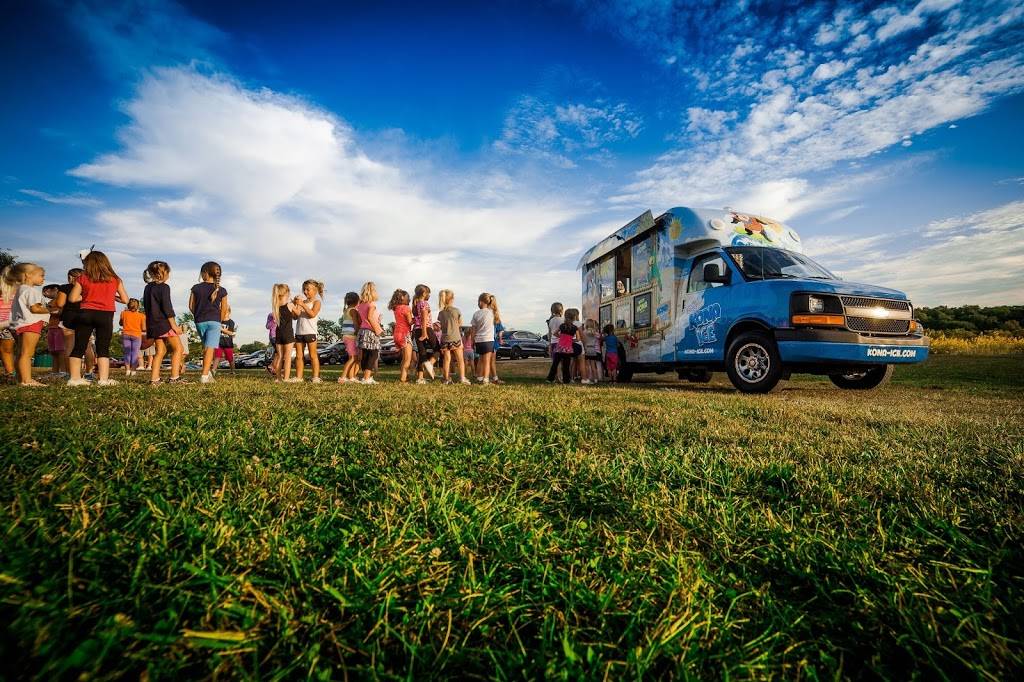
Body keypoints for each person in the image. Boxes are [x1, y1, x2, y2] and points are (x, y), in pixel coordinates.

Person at [67, 251, 129, 386]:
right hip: (105, 315)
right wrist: (111, 296)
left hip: (85, 313)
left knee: (79, 346)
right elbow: (125, 300)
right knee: (103, 348)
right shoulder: (115, 279)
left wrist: (86, 296)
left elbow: (72, 298)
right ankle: (103, 380)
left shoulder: (83, 278)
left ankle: (74, 379)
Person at [143, 260, 186, 385]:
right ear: (162, 273)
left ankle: (154, 379)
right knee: (179, 348)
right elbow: (167, 308)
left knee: (160, 351)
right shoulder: (164, 287)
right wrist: (174, 326)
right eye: (168, 272)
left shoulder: (147, 287)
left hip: (153, 324)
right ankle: (174, 378)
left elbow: (147, 306)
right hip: (164, 324)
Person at [6, 262, 49, 386]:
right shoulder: (31, 291)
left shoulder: (20, 290)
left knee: (21, 353)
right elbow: (35, 308)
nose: (43, 279)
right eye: (41, 275)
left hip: (20, 324)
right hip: (31, 323)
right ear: (28, 275)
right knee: (27, 353)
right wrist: (51, 310)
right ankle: (27, 380)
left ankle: (21, 379)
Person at [188, 261, 228, 384]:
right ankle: (204, 376)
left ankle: (208, 373)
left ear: (204, 273)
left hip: (200, 321)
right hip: (214, 321)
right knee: (209, 348)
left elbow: (191, 306)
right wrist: (219, 321)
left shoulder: (196, 288)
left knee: (206, 347)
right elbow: (224, 309)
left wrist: (198, 315)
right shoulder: (222, 290)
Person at [55, 268, 95, 379]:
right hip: (86, 318)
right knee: (87, 346)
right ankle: (89, 373)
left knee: (69, 346)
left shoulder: (65, 287)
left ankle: (70, 373)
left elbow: (60, 304)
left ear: (70, 277)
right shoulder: (88, 288)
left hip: (69, 318)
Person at [293, 279, 324, 383]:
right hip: (299, 332)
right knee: (298, 356)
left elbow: (312, 314)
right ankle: (299, 377)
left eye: (308, 289)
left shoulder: (317, 302)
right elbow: (295, 317)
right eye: (304, 289)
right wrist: (294, 305)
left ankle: (316, 377)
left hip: (310, 332)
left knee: (312, 355)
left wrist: (302, 305)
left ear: (315, 291)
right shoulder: (302, 302)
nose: (305, 292)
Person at [437, 289, 470, 385]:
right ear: (452, 299)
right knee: (460, 359)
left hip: (445, 338)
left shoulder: (441, 313)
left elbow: (441, 325)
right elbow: (460, 323)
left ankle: (446, 379)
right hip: (455, 337)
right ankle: (462, 378)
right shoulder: (456, 311)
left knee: (446, 360)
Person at [355, 281, 384, 384]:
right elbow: (370, 317)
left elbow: (362, 319)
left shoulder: (360, 305)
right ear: (373, 292)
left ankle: (365, 376)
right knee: (373, 354)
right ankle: (367, 378)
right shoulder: (372, 304)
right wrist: (378, 330)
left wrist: (378, 319)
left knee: (366, 355)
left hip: (363, 331)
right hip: (371, 332)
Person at [272, 283, 300, 382]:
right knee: (287, 357)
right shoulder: (290, 305)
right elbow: (298, 314)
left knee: (280, 357)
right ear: (287, 293)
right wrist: (297, 304)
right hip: (288, 334)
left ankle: (278, 378)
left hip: (278, 334)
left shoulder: (276, 306)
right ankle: (286, 378)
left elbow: (292, 316)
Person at [547, 308, 583, 384]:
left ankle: (550, 379)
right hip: (568, 348)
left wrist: (561, 337)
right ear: (574, 318)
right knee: (566, 365)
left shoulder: (562, 326)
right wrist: (571, 340)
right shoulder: (575, 328)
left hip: (559, 347)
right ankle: (566, 380)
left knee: (555, 363)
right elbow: (578, 338)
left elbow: (554, 333)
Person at [411, 284, 437, 384]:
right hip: (426, 329)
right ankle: (430, 364)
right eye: (428, 293)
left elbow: (417, 318)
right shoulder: (424, 303)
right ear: (424, 293)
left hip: (417, 330)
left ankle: (420, 378)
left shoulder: (416, 304)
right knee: (438, 349)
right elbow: (424, 317)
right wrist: (424, 333)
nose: (429, 295)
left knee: (422, 354)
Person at [388, 289, 414, 383]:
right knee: (408, 359)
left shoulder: (396, 308)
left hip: (396, 334)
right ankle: (403, 379)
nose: (409, 298)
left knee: (404, 358)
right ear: (402, 297)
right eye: (407, 297)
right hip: (404, 334)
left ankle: (404, 376)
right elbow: (410, 322)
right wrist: (417, 319)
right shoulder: (406, 308)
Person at [470, 292, 495, 384]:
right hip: (488, 340)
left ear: (481, 302)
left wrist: (472, 341)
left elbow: (473, 329)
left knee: (480, 360)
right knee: (487, 361)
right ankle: (486, 379)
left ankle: (479, 378)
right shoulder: (492, 313)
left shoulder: (476, 314)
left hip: (478, 340)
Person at [42, 284, 67, 377]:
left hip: (59, 327)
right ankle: (54, 372)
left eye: (46, 292)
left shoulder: (61, 300)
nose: (45, 295)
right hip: (51, 327)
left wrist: (48, 311)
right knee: (53, 351)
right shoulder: (50, 302)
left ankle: (63, 371)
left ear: (55, 289)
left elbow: (61, 312)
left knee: (60, 350)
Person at [118, 297, 146, 378]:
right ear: (138, 306)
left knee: (127, 353)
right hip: (137, 335)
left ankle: (127, 370)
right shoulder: (142, 316)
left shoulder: (123, 313)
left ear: (128, 305)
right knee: (135, 353)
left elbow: (120, 323)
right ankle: (133, 370)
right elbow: (144, 328)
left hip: (126, 334)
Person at [338, 291, 360, 384]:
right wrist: (359, 332)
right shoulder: (353, 311)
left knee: (354, 357)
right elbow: (355, 324)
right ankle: (342, 377)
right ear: (357, 301)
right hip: (351, 337)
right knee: (352, 358)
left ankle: (351, 377)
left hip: (346, 336)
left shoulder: (346, 310)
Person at [0, 268, 16, 383]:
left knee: (8, 349)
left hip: (12, 323)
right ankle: (10, 373)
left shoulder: (20, 289)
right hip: (2, 322)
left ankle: (12, 373)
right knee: (6, 349)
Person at [489, 295, 505, 385]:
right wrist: (500, 339)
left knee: (483, 360)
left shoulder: (484, 312)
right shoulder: (495, 315)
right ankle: (494, 379)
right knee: (491, 361)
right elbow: (500, 331)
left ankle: (482, 377)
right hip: (492, 341)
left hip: (483, 340)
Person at [215, 310, 236, 374]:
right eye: (222, 312)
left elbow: (231, 333)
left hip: (228, 343)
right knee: (217, 356)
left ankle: (232, 371)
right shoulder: (219, 321)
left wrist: (222, 329)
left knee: (230, 358)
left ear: (229, 312)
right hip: (218, 342)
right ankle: (213, 371)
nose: (224, 313)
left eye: (225, 312)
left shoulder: (231, 322)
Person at [546, 302, 564, 379]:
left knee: (555, 362)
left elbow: (550, 333)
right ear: (561, 310)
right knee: (563, 361)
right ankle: (562, 376)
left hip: (553, 343)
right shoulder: (563, 320)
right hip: (562, 343)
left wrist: (549, 344)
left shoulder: (551, 321)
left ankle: (556, 377)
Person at [582, 319, 602, 384]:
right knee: (593, 366)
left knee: (587, 365)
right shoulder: (595, 333)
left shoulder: (584, 332)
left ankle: (589, 378)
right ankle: (596, 379)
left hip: (587, 349)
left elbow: (583, 340)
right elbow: (599, 337)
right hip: (593, 349)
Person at [265, 312, 279, 377]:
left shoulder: (283, 313)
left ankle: (272, 367)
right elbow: (267, 326)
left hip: (280, 336)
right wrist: (274, 320)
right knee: (279, 353)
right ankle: (272, 367)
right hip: (274, 336)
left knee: (278, 353)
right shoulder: (271, 314)